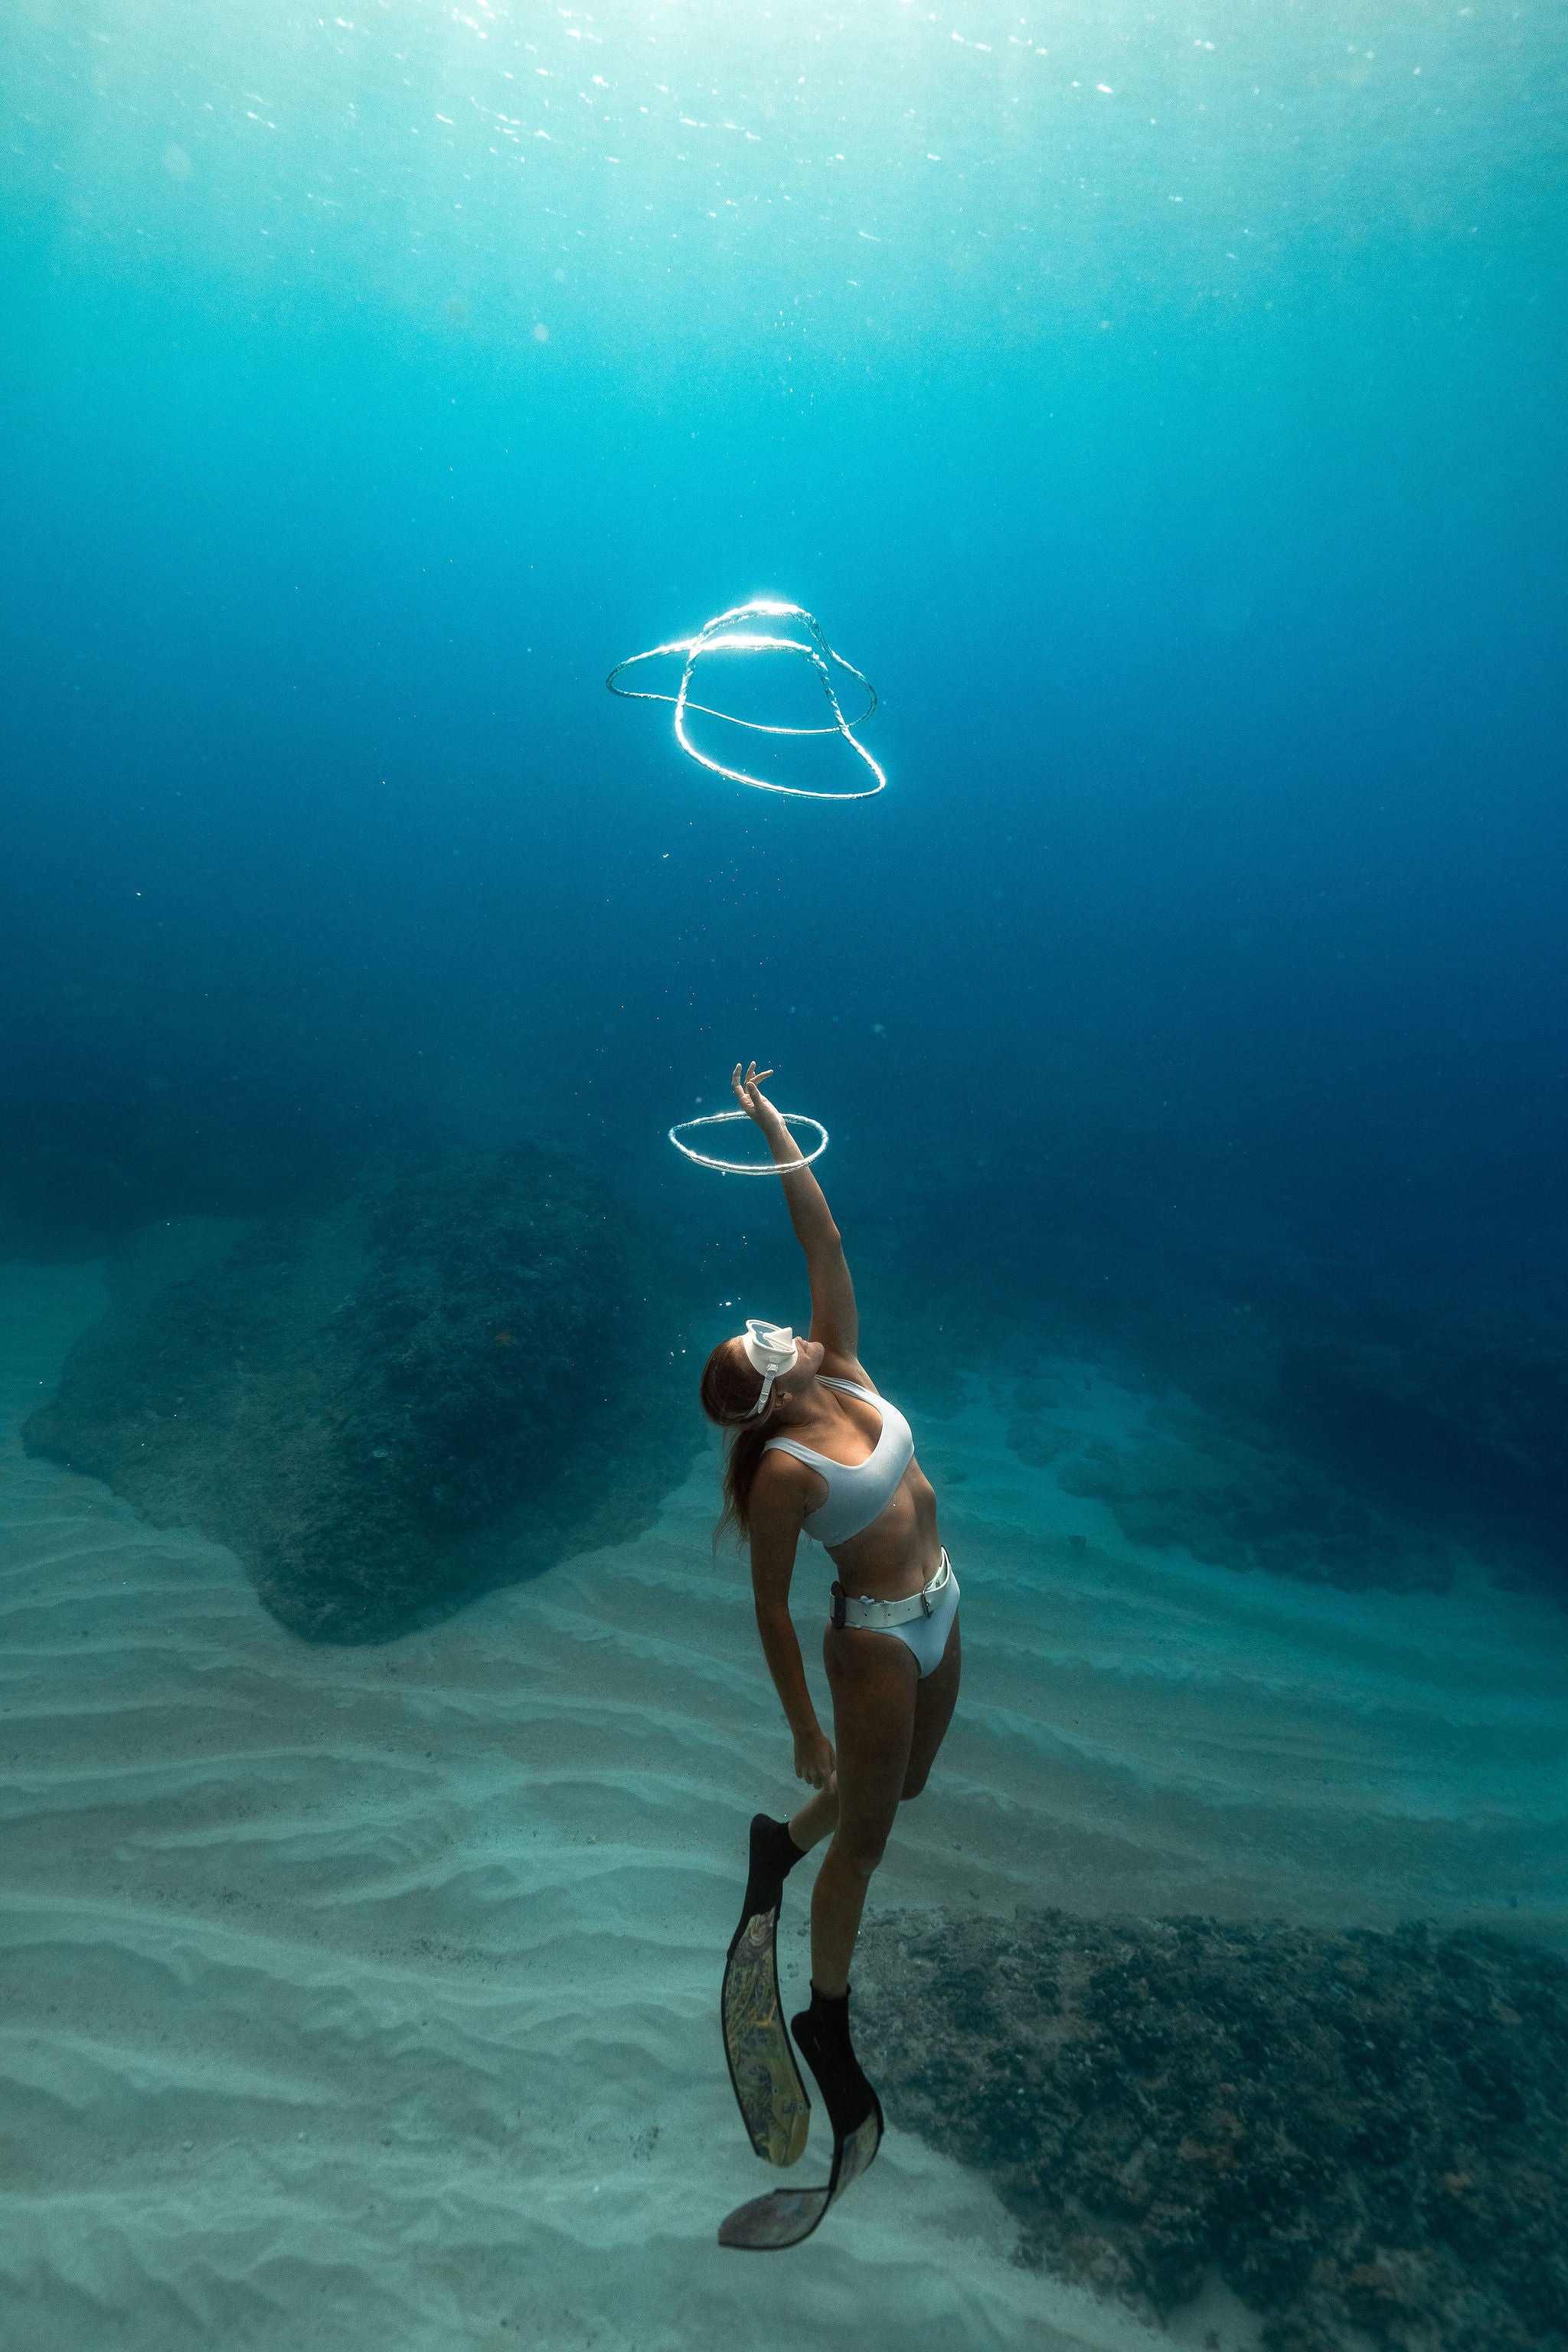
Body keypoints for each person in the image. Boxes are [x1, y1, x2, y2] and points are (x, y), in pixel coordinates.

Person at [700, 1061, 961, 2142]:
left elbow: (826, 1244)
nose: (783, 1327)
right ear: (772, 1390)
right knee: (866, 1842)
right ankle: (826, 2021)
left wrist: (771, 1128)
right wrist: (805, 1728)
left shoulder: (842, 1365)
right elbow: (770, 1609)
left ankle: (778, 1845)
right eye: (765, 1344)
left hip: (942, 1603)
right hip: (876, 1644)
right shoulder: (783, 1474)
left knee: (902, 1786)